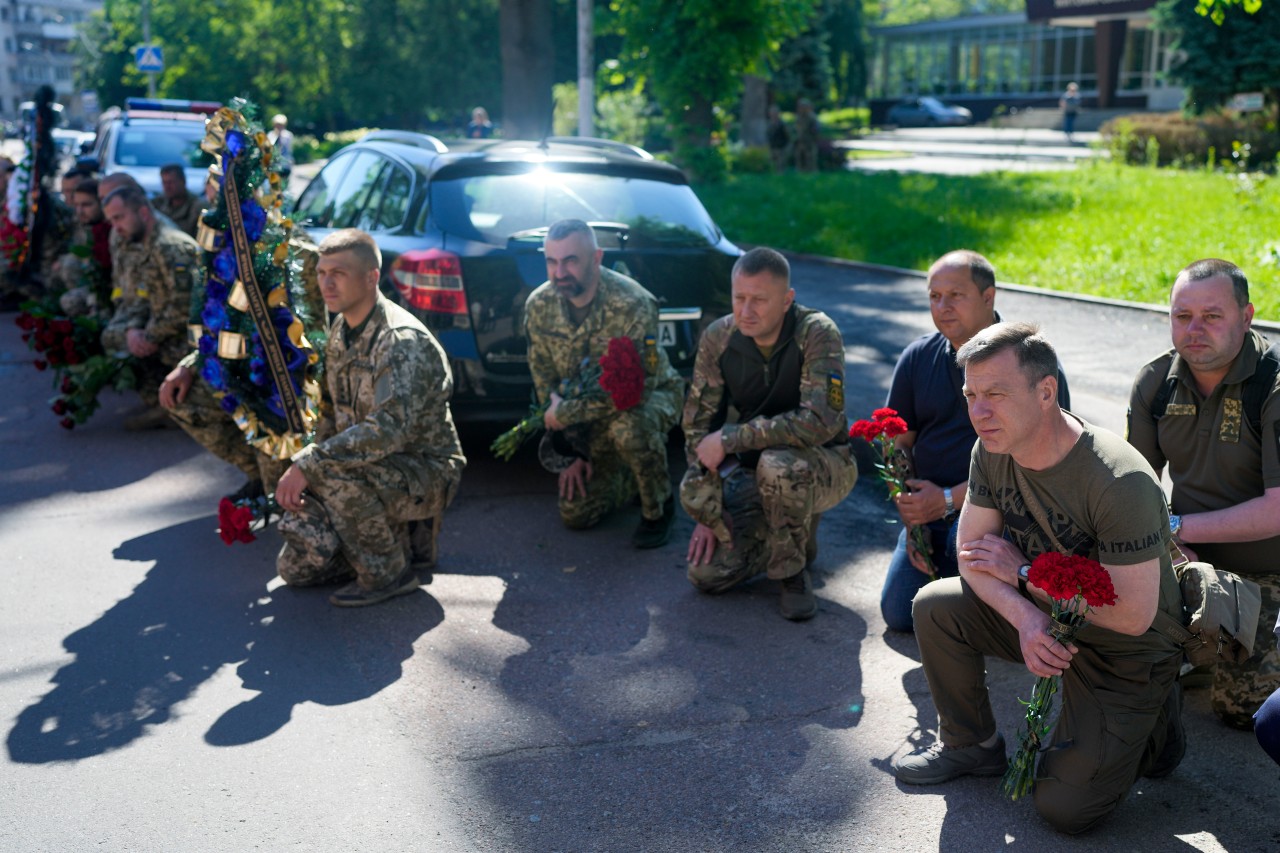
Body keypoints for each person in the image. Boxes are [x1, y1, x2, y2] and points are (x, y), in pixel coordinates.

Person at [892, 322, 1184, 834]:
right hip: (1052, 617)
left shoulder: (1120, 481)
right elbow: (971, 554)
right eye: (971, 395)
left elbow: (1135, 616)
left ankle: (1158, 720)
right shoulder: (991, 448)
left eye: (996, 395)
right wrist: (1027, 620)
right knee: (936, 605)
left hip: (1124, 647)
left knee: (1064, 811)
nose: (979, 412)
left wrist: (1024, 574)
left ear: (1046, 391)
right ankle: (971, 746)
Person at [1126, 258, 1280, 731]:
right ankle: (1202, 647)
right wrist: (1168, 549)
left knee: (1241, 712)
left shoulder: (1272, 386)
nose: (1195, 329)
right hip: (1187, 560)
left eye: (1212, 316)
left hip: (1267, 570)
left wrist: (1175, 527)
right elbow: (1131, 491)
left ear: (1247, 315)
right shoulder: (1155, 383)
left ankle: (1224, 648)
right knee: (1114, 660)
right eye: (1182, 316)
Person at [880, 250, 1070, 632]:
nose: (943, 307)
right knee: (899, 613)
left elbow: (1042, 462)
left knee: (959, 555)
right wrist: (911, 512)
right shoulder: (918, 357)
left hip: (999, 513)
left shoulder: (1029, 363)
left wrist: (947, 499)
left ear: (989, 297)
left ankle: (998, 598)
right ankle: (967, 591)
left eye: (956, 295)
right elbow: (895, 444)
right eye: (934, 296)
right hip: (930, 512)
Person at [275, 229, 465, 607]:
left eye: (339, 273)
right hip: (373, 463)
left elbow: (387, 432)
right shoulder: (342, 328)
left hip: (424, 469)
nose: (326, 283)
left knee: (328, 470)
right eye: (321, 272)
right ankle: (393, 542)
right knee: (294, 570)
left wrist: (311, 464)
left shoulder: (400, 341)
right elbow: (331, 412)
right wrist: (311, 465)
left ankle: (388, 574)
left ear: (371, 277)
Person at [682, 247, 857, 621]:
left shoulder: (816, 333)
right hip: (750, 471)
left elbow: (819, 422)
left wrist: (731, 438)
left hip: (824, 463)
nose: (746, 311)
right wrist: (708, 510)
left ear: (787, 300)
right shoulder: (719, 338)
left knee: (778, 465)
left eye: (759, 300)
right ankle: (789, 531)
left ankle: (792, 573)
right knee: (705, 574)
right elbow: (697, 428)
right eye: (739, 298)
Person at [523, 219, 683, 548]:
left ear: (597, 258)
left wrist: (567, 412)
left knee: (629, 428)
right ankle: (630, 474)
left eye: (571, 260)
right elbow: (545, 382)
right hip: (586, 411)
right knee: (575, 515)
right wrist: (571, 451)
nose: (559, 273)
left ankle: (659, 506)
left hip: (651, 397)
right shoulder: (538, 306)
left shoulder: (635, 304)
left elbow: (639, 389)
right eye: (551, 261)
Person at [99, 183, 201, 429]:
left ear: (143, 212)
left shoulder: (170, 247)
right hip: (165, 325)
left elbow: (184, 308)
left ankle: (180, 406)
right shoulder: (144, 242)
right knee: (116, 335)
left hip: (194, 335)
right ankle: (162, 400)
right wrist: (132, 329)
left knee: (137, 343)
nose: (116, 227)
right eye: (112, 220)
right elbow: (143, 297)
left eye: (120, 218)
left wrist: (147, 336)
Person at [54, 179, 113, 316]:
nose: (80, 211)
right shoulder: (81, 223)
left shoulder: (113, 227)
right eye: (76, 205)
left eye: (86, 205)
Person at [152, 164, 203, 238]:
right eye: (164, 183)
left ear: (183, 181)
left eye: (171, 182)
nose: (167, 187)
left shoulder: (198, 207)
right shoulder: (157, 203)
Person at [793, 99, 819, 173]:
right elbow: (796, 129)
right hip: (800, 142)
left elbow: (816, 130)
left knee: (810, 159)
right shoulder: (798, 117)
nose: (801, 109)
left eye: (803, 107)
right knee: (799, 158)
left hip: (809, 142)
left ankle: (811, 173)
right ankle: (801, 173)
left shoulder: (812, 117)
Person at [268, 114, 294, 180]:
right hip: (273, 165)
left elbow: (288, 149)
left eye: (281, 125)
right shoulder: (270, 135)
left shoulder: (288, 135)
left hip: (285, 165)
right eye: (277, 125)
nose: (279, 127)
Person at [766, 105, 790, 172]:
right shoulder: (769, 124)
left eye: (774, 113)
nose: (773, 114)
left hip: (781, 148)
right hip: (772, 147)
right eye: (771, 113)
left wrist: (787, 146)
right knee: (771, 165)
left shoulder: (782, 124)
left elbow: (788, 136)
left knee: (780, 166)